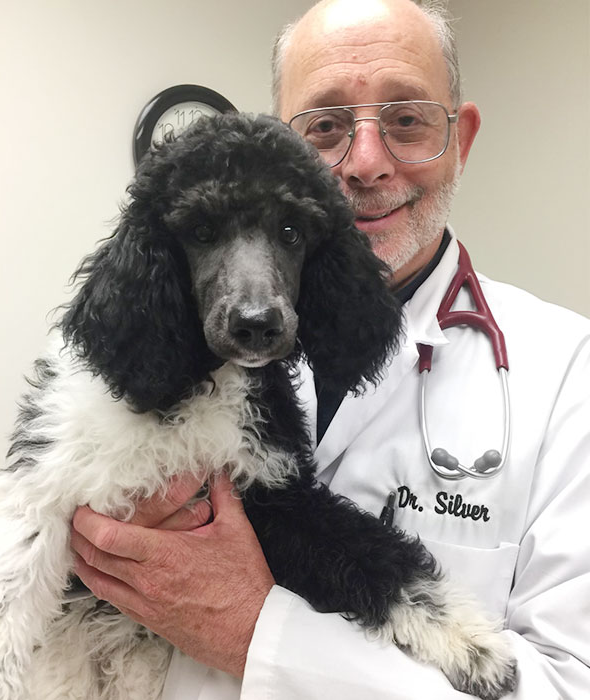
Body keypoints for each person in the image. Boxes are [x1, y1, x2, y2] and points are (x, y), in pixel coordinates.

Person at [71, 0, 590, 697]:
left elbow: (568, 682)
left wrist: (260, 635)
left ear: (459, 139)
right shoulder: (172, 326)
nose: (366, 164)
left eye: (406, 120)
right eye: (325, 127)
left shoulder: (567, 372)